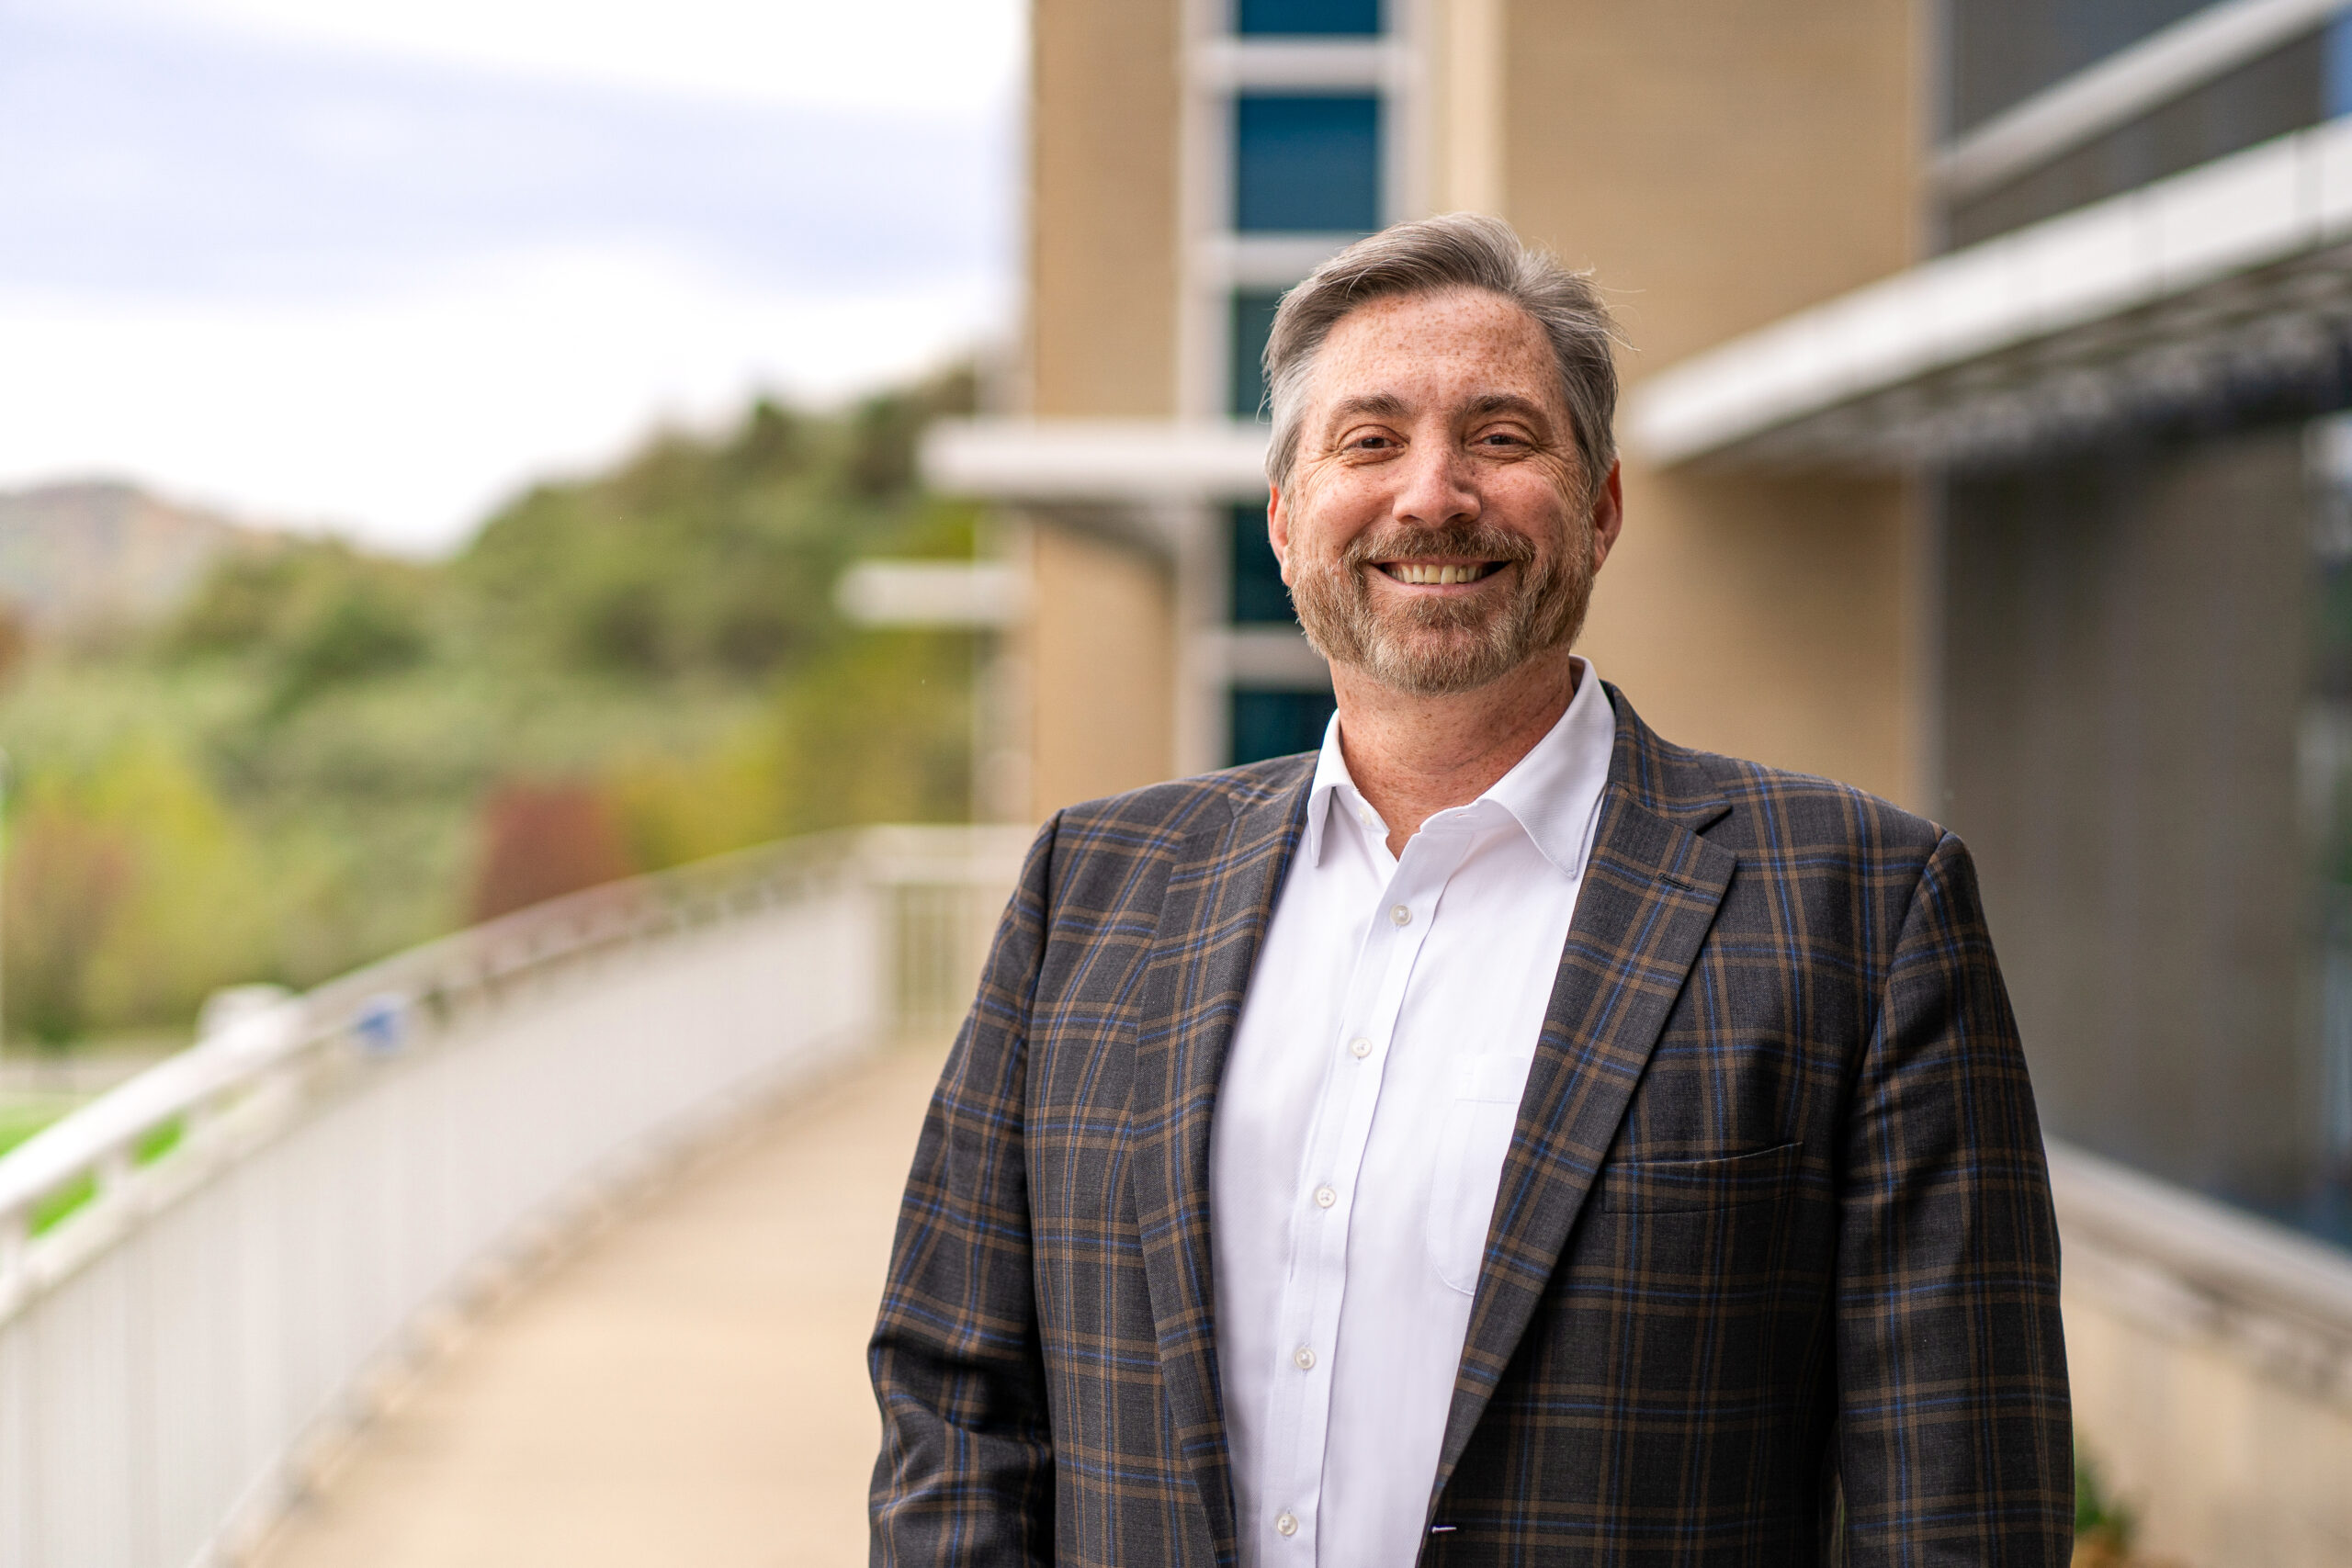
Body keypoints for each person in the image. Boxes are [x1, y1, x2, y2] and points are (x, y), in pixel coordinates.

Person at [869, 213, 2071, 1566]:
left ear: (1601, 507)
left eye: (1501, 439)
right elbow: (954, 1396)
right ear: (1284, 518)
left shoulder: (1860, 906)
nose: (1432, 497)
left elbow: (1957, 1494)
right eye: (1369, 441)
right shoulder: (1094, 889)